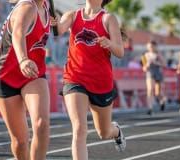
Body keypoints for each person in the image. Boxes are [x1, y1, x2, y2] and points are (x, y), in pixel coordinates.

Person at [57, 0, 126, 159]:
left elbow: (120, 51)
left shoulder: (108, 19)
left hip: (101, 81)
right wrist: (53, 21)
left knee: (104, 132)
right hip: (74, 77)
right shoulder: (72, 16)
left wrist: (109, 43)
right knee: (79, 128)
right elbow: (58, 29)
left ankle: (116, 130)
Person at [0, 0, 56, 159]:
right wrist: (23, 59)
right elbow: (18, 33)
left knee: (42, 124)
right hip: (6, 75)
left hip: (33, 73)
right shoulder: (27, 7)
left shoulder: (46, 6)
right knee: (20, 141)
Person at [142, 40, 166, 115]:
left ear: (155, 47)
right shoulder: (145, 55)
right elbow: (144, 68)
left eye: (152, 46)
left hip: (158, 74)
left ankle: (162, 101)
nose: (151, 48)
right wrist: (147, 65)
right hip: (150, 74)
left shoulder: (158, 54)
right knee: (150, 90)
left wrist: (156, 63)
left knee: (157, 93)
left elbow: (164, 64)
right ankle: (150, 108)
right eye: (149, 47)